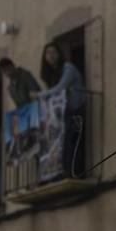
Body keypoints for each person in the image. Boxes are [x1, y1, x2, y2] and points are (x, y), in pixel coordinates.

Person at [41, 43, 89, 178]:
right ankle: (61, 170)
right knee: (63, 142)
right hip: (63, 112)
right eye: (47, 53)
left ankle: (73, 170)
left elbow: (60, 88)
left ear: (59, 54)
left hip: (75, 109)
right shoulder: (52, 74)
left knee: (72, 140)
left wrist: (39, 96)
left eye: (53, 52)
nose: (50, 55)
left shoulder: (68, 68)